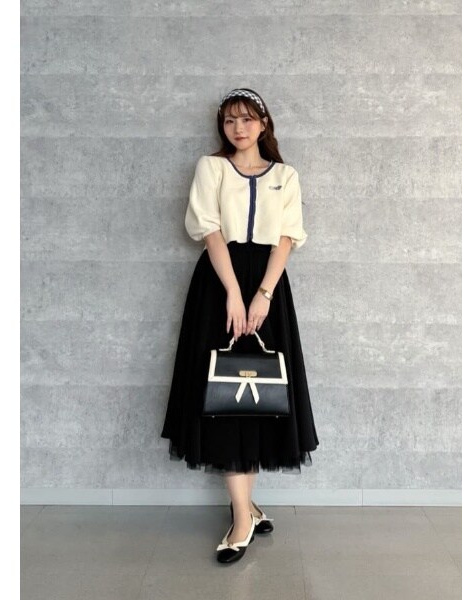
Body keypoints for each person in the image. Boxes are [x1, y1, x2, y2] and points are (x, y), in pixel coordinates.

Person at [160, 88, 319, 564]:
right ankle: (243, 517)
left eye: (247, 119)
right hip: (218, 282)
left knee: (261, 391)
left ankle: (245, 508)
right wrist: (232, 291)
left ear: (264, 124)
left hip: (269, 285)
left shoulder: (286, 176)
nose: (239, 128)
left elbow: (287, 237)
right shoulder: (211, 168)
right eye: (230, 120)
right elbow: (209, 230)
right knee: (223, 392)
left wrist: (263, 294)